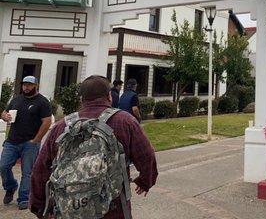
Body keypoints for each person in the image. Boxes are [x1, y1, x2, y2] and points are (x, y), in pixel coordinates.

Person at [30, 75, 158, 219]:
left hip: (69, 209)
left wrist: (40, 208)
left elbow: (40, 169)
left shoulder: (62, 126)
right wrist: (145, 181)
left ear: (81, 99)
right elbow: (147, 155)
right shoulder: (125, 122)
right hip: (113, 209)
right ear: (109, 96)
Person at [0, 76, 52, 210]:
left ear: (36, 86)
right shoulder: (16, 99)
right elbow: (5, 112)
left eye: (29, 85)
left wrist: (37, 140)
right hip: (12, 141)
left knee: (27, 172)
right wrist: (4, 116)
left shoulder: (42, 102)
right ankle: (11, 187)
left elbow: (47, 121)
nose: (26, 87)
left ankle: (23, 198)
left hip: (30, 143)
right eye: (24, 85)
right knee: (3, 166)